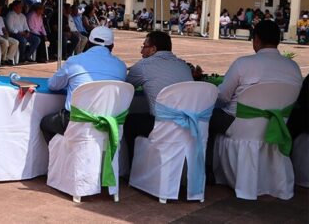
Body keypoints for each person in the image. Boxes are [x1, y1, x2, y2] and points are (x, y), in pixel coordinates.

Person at [207, 20, 303, 176]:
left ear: (256, 39)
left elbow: (222, 97)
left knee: (205, 117)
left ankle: (208, 169)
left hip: (237, 126)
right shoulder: (294, 68)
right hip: (277, 125)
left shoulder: (243, 64)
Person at [39, 26, 127, 142]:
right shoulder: (121, 66)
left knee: (45, 123)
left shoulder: (74, 61)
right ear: (112, 46)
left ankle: (59, 155)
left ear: (88, 44)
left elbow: (53, 85)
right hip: (107, 124)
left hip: (76, 123)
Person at [123, 31, 194, 160]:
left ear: (153, 49)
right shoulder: (184, 66)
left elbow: (125, 88)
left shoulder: (143, 66)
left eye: (144, 46)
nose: (141, 51)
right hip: (188, 126)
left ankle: (134, 168)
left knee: (129, 121)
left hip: (161, 127)